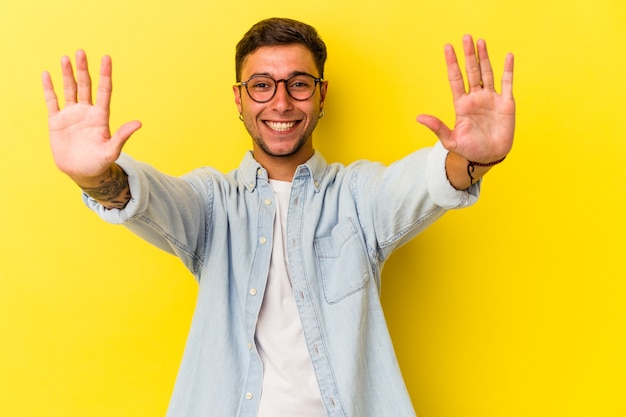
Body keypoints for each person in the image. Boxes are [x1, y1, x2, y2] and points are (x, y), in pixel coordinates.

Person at [42, 17, 514, 417]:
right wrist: (95, 176)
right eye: (262, 85)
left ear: (321, 93)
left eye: (299, 84)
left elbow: (423, 184)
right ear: (240, 98)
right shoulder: (212, 202)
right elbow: (145, 199)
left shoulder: (357, 195)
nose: (281, 102)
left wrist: (471, 160)